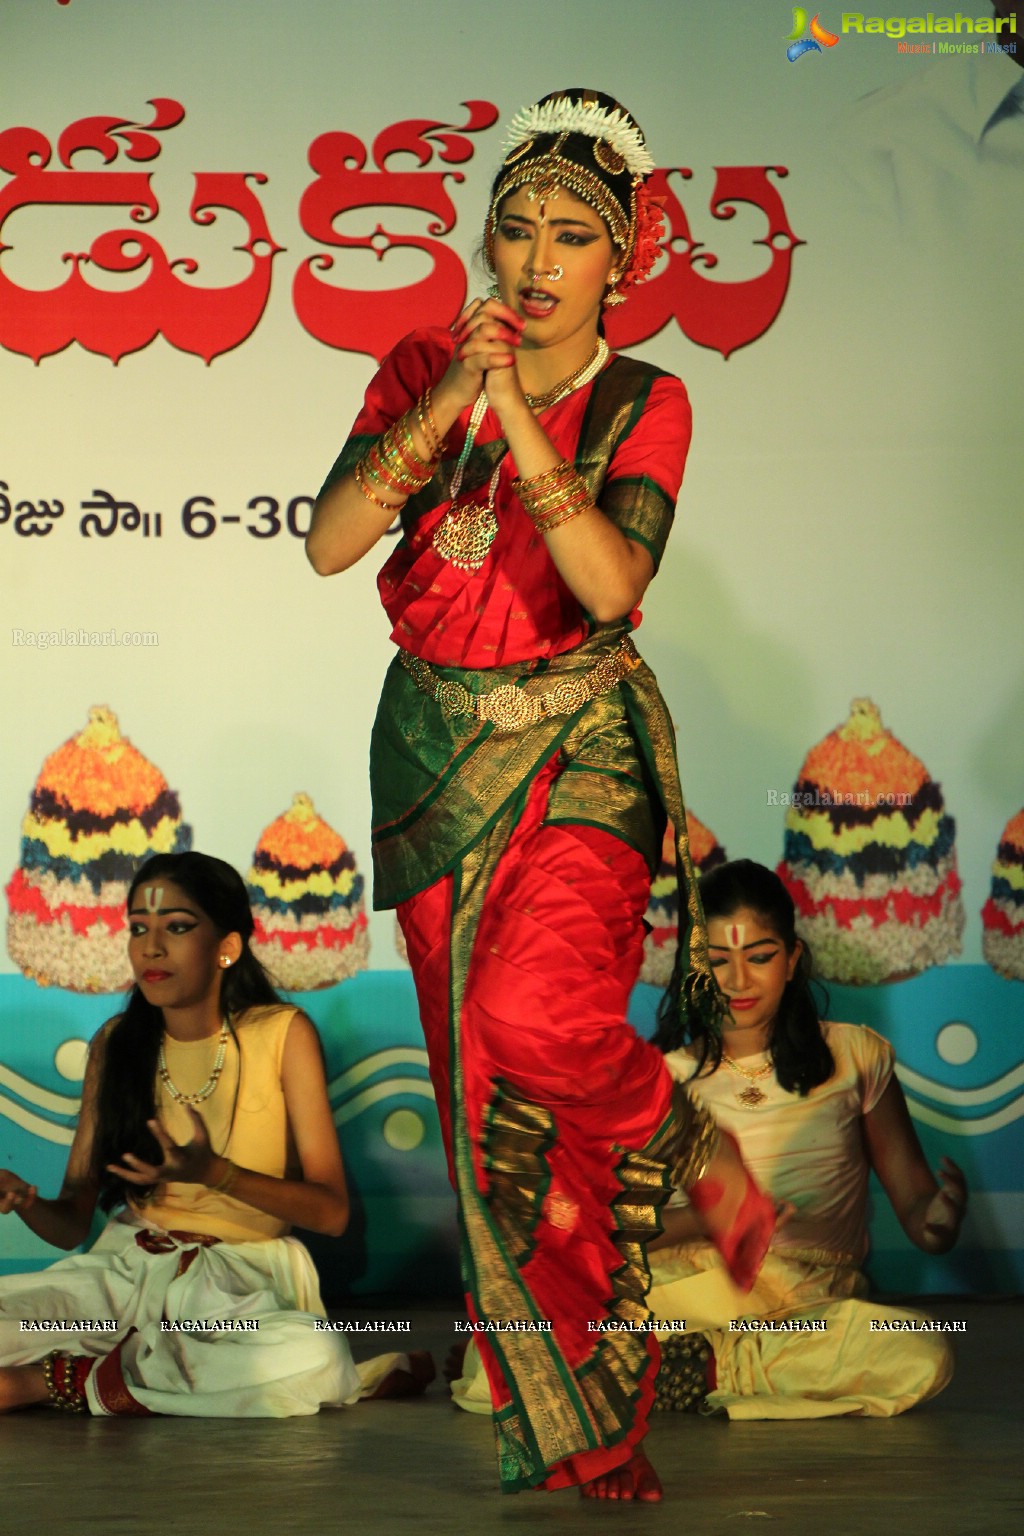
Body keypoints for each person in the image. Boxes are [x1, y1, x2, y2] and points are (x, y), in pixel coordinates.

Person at [306, 88, 775, 1500]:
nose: (535, 258)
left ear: (621, 263)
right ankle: (583, 1431)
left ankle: (677, 1130)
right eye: (513, 228)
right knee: (491, 1111)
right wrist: (452, 391)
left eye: (572, 237)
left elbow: (614, 588)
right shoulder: (412, 365)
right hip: (433, 765)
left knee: (540, 1018)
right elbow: (331, 545)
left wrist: (516, 408)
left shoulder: (648, 398)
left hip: (581, 746)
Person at [0, 851, 430, 1416]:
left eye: (176, 927)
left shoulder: (283, 1034)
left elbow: (331, 1213)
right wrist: (26, 1202)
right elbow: (71, 1224)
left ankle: (58, 1379)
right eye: (138, 929)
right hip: (117, 1285)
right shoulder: (116, 1044)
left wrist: (215, 1175)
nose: (151, 948)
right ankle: (133, 1365)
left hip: (233, 1293)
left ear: (227, 946)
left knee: (310, 1354)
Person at [648, 859, 967, 1419]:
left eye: (760, 957)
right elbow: (615, 1232)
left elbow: (917, 1204)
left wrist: (938, 1219)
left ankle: (695, 1369)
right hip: (686, 1294)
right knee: (551, 1321)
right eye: (718, 961)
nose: (738, 981)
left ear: (793, 960)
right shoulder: (662, 1079)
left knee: (923, 1350)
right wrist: (711, 1220)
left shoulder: (854, 1056)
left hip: (807, 1310)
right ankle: (700, 1363)